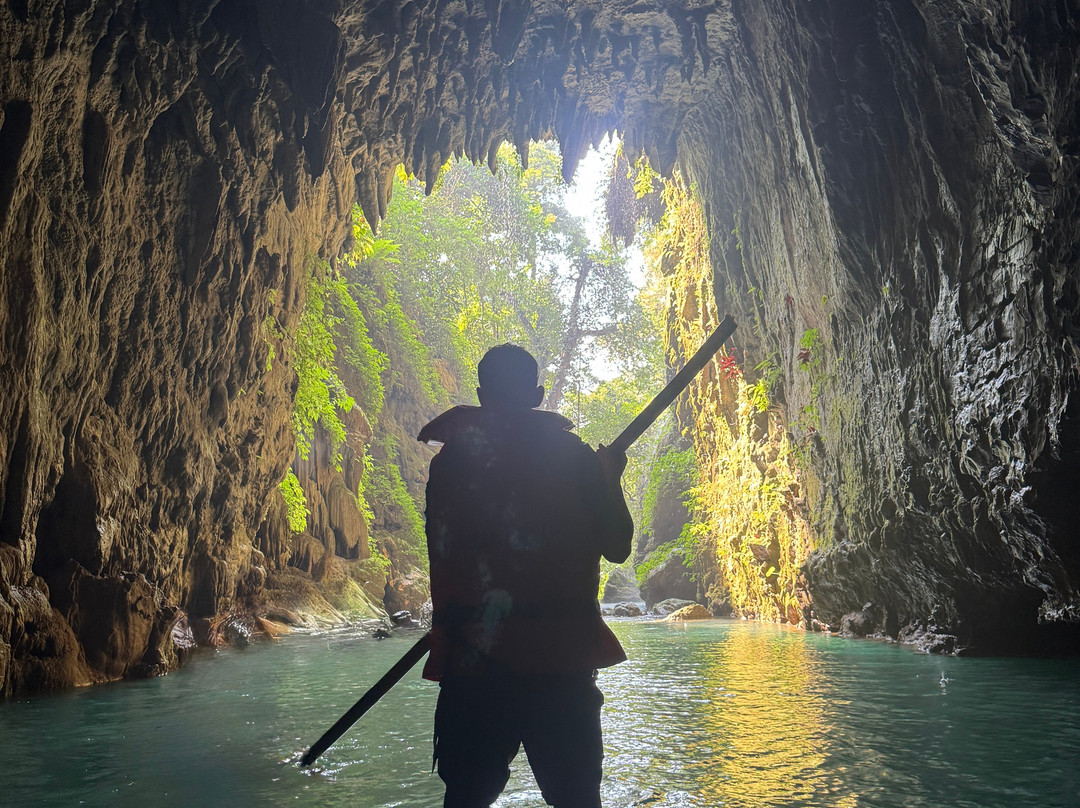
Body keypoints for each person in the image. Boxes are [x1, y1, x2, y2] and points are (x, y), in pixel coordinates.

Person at [417, 344, 633, 808]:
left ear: (481, 395)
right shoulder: (574, 459)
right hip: (560, 667)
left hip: (475, 667)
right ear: (537, 395)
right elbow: (617, 547)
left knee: (466, 799)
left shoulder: (449, 464)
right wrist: (609, 478)